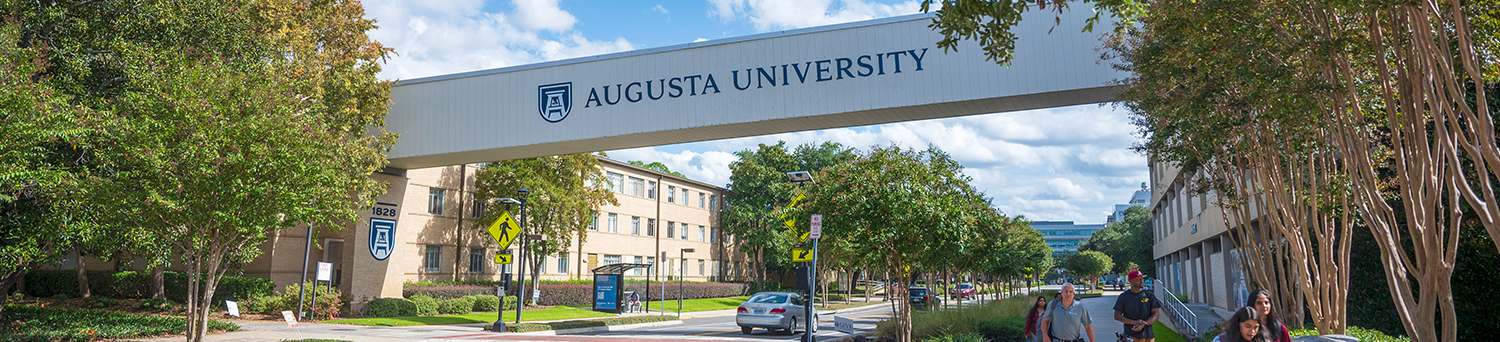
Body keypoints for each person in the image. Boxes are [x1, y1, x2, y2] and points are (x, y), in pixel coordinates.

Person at [1113, 270, 1161, 342]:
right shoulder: (1124, 297)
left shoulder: (1149, 295)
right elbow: (1117, 315)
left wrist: (1145, 323)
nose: (1142, 281)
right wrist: (1134, 322)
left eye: (1142, 278)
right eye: (1138, 279)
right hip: (1132, 336)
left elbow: (1156, 314)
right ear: (1131, 281)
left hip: (1149, 336)